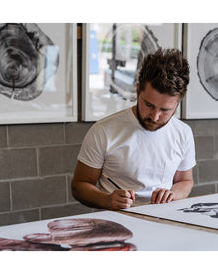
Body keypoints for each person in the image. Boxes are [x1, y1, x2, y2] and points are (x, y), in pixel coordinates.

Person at [71, 48, 196, 210]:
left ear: (177, 104)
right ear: (137, 91)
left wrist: (173, 194)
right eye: (149, 105)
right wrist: (107, 200)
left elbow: (185, 181)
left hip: (165, 223)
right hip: (118, 224)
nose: (155, 116)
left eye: (165, 110)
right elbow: (79, 186)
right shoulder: (103, 131)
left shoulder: (183, 133)